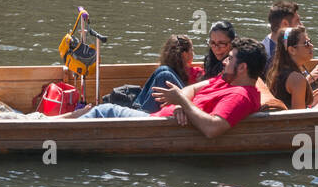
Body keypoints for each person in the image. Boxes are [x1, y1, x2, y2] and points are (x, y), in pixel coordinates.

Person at [72, 37, 267, 138]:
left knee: (104, 110)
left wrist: (181, 101)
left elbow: (212, 129)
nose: (224, 61)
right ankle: (54, 123)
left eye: (230, 59)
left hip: (156, 127)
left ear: (242, 68)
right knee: (103, 110)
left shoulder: (240, 95)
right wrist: (181, 105)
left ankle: (56, 130)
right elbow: (191, 89)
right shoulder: (226, 80)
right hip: (160, 118)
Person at [129, 34, 203, 112]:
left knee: (164, 74)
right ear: (184, 54)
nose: (193, 54)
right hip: (180, 99)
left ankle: (141, 111)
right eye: (192, 50)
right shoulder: (180, 71)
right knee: (162, 70)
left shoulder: (197, 73)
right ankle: (137, 108)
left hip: (187, 102)